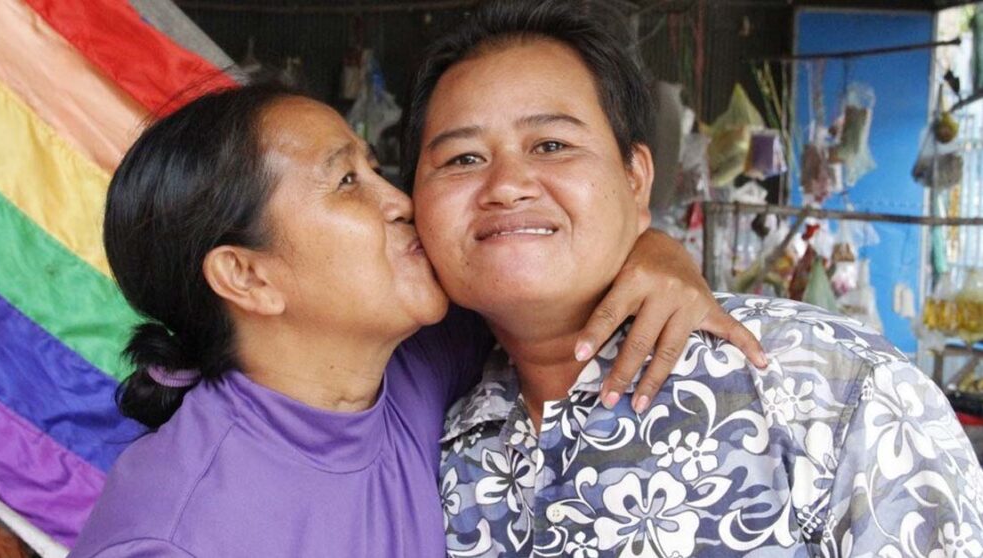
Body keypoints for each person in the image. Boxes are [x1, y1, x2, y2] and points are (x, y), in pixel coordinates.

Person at [68, 80, 761, 556]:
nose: (400, 201)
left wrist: (655, 249)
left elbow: (545, 267)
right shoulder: (174, 535)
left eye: (375, 169)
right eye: (347, 182)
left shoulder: (413, 362)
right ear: (248, 276)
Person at [405, 2, 983, 556]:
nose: (506, 185)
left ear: (636, 180)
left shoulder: (827, 389)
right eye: (462, 159)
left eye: (552, 145)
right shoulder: (431, 442)